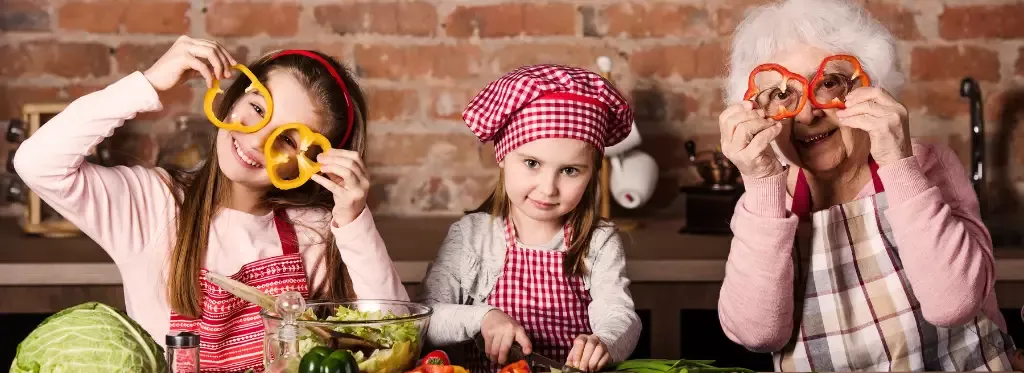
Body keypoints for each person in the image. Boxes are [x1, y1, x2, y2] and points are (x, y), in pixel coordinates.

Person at [13, 36, 408, 372]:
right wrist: (148, 83)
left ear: (314, 162)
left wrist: (355, 218)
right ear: (233, 97)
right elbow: (36, 163)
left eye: (288, 139)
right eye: (257, 109)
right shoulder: (153, 204)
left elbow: (394, 337)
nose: (255, 140)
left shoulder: (316, 230)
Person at [715, 0, 1019, 371]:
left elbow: (954, 305)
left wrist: (898, 162)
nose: (809, 113)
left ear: (869, 86)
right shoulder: (770, 201)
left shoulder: (925, 164)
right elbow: (757, 335)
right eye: (782, 94)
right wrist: (761, 185)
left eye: (828, 83)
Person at [418, 64, 642, 373]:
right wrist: (483, 318)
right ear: (503, 155)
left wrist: (604, 341)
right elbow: (425, 319)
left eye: (570, 170)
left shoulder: (598, 240)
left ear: (592, 173)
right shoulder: (471, 236)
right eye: (532, 163)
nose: (548, 188)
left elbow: (620, 315)